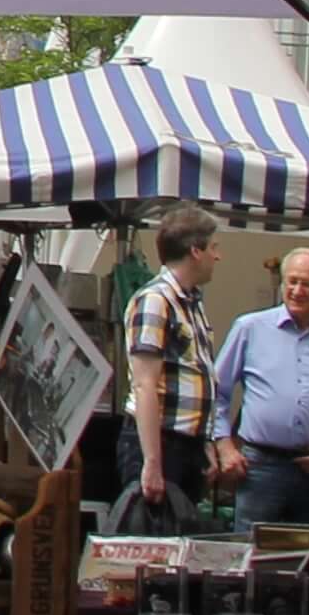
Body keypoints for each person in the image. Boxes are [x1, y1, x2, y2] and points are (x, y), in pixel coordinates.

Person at [215, 246, 309, 530]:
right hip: (259, 466)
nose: (297, 290)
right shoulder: (250, 328)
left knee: (308, 558)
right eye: (291, 281)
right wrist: (225, 447)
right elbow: (217, 393)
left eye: (307, 283)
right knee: (250, 554)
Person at [121, 201, 227, 521]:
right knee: (155, 550)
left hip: (187, 443)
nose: (217, 256)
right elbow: (145, 385)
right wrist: (152, 462)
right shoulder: (155, 301)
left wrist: (204, 442)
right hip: (159, 442)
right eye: (213, 247)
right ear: (196, 251)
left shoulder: (191, 302)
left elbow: (197, 374)